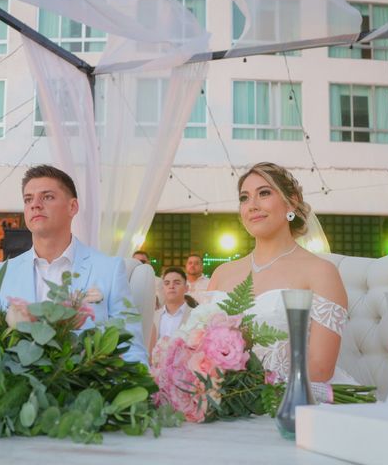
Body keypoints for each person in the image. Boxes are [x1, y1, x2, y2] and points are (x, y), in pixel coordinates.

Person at [206, 162, 349, 383]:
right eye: (244, 198)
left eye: (263, 193)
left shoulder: (321, 272)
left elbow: (320, 369)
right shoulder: (221, 273)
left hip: (295, 399)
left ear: (291, 203)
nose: (252, 205)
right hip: (224, 400)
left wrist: (247, 391)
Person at [0, 165, 147, 364]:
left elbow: (131, 349)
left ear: (73, 207)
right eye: (28, 199)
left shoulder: (109, 270)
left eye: (47, 197)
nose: (35, 205)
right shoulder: (2, 274)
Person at [149, 267, 193, 358]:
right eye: (167, 283)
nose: (171, 286)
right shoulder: (153, 317)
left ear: (186, 288)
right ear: (162, 288)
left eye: (177, 283)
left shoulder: (195, 315)